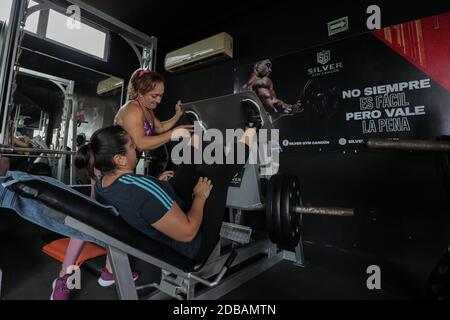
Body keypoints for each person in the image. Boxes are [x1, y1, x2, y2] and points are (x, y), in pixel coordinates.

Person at [51, 69, 192, 300]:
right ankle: (64, 278)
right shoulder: (132, 110)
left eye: (160, 95)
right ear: (139, 91)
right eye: (153, 96)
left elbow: (158, 128)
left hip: (123, 166)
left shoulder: (147, 109)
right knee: (91, 219)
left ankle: (109, 271)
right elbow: (141, 142)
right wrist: (173, 135)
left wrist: (176, 117)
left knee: (117, 218)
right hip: (106, 165)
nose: (158, 100)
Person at [77, 123, 256, 263]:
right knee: (216, 178)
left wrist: (158, 184)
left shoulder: (102, 185)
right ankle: (253, 128)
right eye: (132, 147)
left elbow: (137, 198)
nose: (137, 149)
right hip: (192, 247)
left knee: (185, 172)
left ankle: (197, 135)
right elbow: (188, 233)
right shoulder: (142, 189)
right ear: (119, 159)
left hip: (159, 230)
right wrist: (200, 197)